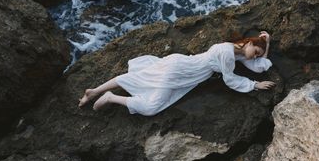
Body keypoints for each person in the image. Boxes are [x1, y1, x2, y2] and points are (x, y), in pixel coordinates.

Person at [78, 31, 276, 116]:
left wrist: (266, 44)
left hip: (180, 63)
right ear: (248, 43)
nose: (254, 57)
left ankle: (93, 91)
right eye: (255, 51)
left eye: (256, 54)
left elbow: (259, 65)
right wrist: (254, 85)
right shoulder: (228, 54)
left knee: (139, 78)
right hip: (181, 73)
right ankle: (110, 97)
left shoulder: (236, 51)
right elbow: (230, 79)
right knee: (151, 108)